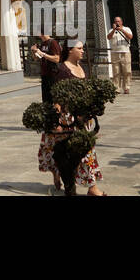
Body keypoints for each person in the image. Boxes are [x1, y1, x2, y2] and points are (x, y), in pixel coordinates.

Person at [37, 40, 105, 196]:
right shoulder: (61, 70)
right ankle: (60, 174)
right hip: (67, 119)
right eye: (79, 48)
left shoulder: (82, 67)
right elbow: (57, 98)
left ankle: (91, 186)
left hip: (82, 118)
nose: (82, 51)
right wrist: (57, 121)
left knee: (88, 150)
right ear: (70, 50)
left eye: (82, 48)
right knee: (63, 151)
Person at [30, 32, 62, 103]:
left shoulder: (53, 43)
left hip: (53, 75)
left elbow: (57, 59)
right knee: (46, 99)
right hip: (44, 74)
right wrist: (34, 52)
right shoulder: (42, 44)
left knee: (54, 99)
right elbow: (37, 58)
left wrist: (43, 54)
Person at [107, 16, 133, 94]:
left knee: (127, 71)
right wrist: (114, 30)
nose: (117, 23)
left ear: (121, 22)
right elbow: (109, 37)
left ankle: (126, 87)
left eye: (118, 21)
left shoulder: (127, 29)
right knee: (116, 71)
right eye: (115, 21)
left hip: (125, 52)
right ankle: (116, 88)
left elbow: (130, 37)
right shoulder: (111, 30)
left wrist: (121, 29)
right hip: (115, 53)